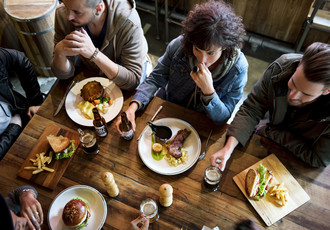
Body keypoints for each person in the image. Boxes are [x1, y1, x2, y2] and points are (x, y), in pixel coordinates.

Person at [115, 0, 248, 134]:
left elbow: (222, 119)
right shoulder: (180, 46)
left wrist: (209, 92)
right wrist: (133, 107)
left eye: (211, 53)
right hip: (169, 107)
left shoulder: (238, 69)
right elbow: (156, 78)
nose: (202, 60)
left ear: (225, 47)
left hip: (202, 125)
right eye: (197, 49)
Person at [210, 42, 330, 170]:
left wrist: (272, 133)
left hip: (297, 161)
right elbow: (252, 109)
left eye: (306, 94)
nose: (293, 96)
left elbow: (318, 158)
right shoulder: (280, 68)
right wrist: (228, 149)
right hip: (263, 135)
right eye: (293, 83)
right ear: (299, 63)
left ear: (327, 91)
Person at [51, 0, 148, 90]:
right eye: (66, 7)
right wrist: (59, 54)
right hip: (90, 68)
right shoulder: (62, 14)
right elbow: (63, 76)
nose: (69, 16)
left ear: (98, 9)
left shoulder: (128, 21)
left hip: (123, 68)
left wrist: (94, 54)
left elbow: (132, 81)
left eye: (77, 12)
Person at [0, 48, 44, 160]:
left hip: (21, 113)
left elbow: (21, 60)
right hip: (5, 149)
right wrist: (13, 129)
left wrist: (36, 102)